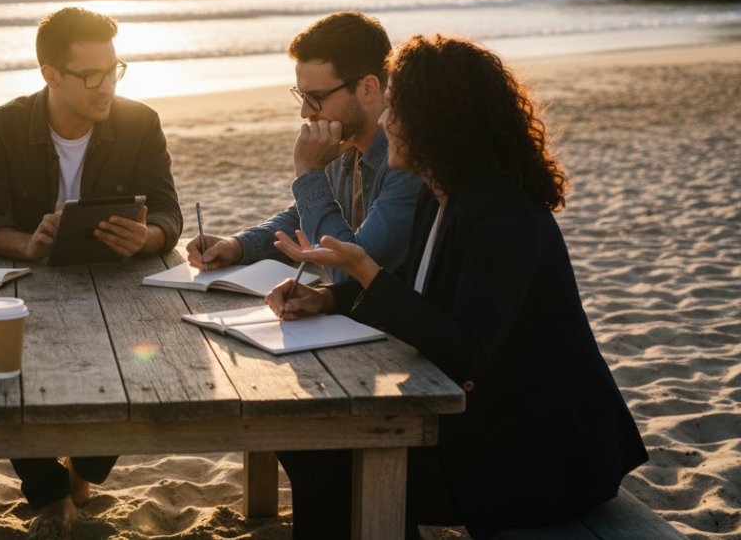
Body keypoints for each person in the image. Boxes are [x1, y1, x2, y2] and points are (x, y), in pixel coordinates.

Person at [265, 35, 648, 539]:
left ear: (436, 123)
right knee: (309, 440)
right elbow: (418, 294)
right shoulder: (441, 194)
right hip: (484, 423)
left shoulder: (502, 216)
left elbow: (466, 351)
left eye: (397, 111)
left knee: (330, 456)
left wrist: (366, 274)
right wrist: (327, 297)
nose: (385, 122)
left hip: (537, 454)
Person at [0, 7, 182, 536]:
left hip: (115, 280)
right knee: (4, 377)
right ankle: (51, 495)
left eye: (114, 70)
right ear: (49, 75)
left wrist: (147, 237)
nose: (105, 87)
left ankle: (82, 475)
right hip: (26, 282)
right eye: (90, 76)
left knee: (136, 373)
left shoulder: (140, 122)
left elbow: (169, 209)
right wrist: (27, 244)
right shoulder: (1, 126)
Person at [188, 11, 423, 283]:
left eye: (316, 97)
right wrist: (238, 246)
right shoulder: (342, 139)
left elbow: (350, 273)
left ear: (368, 88)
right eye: (302, 95)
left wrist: (310, 171)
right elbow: (304, 216)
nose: (304, 111)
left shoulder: (404, 160)